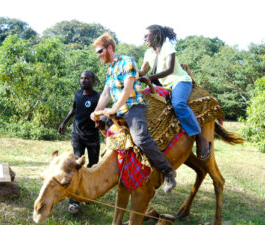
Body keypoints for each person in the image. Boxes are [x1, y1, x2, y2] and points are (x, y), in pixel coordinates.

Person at [91, 33, 176, 194]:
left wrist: (114, 109)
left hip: (133, 108)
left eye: (100, 51)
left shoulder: (127, 61)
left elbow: (128, 90)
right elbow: (105, 95)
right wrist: (95, 112)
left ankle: (167, 171)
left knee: (140, 139)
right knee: (101, 124)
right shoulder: (110, 70)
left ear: (110, 48)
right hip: (118, 111)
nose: (98, 55)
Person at [139, 24, 211, 160]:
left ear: (155, 36)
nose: (144, 38)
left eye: (146, 36)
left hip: (179, 82)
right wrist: (129, 74)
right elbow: (142, 71)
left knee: (178, 105)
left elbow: (169, 69)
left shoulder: (167, 47)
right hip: (165, 86)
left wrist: (149, 78)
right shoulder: (148, 53)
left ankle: (201, 138)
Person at [58, 70, 100, 214]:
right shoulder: (77, 94)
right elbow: (74, 109)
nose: (83, 81)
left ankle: (88, 195)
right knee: (76, 165)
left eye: (86, 78)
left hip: (92, 137)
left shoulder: (97, 97)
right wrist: (64, 123)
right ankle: (73, 201)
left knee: (93, 165)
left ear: (92, 80)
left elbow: (101, 115)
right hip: (77, 135)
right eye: (81, 78)